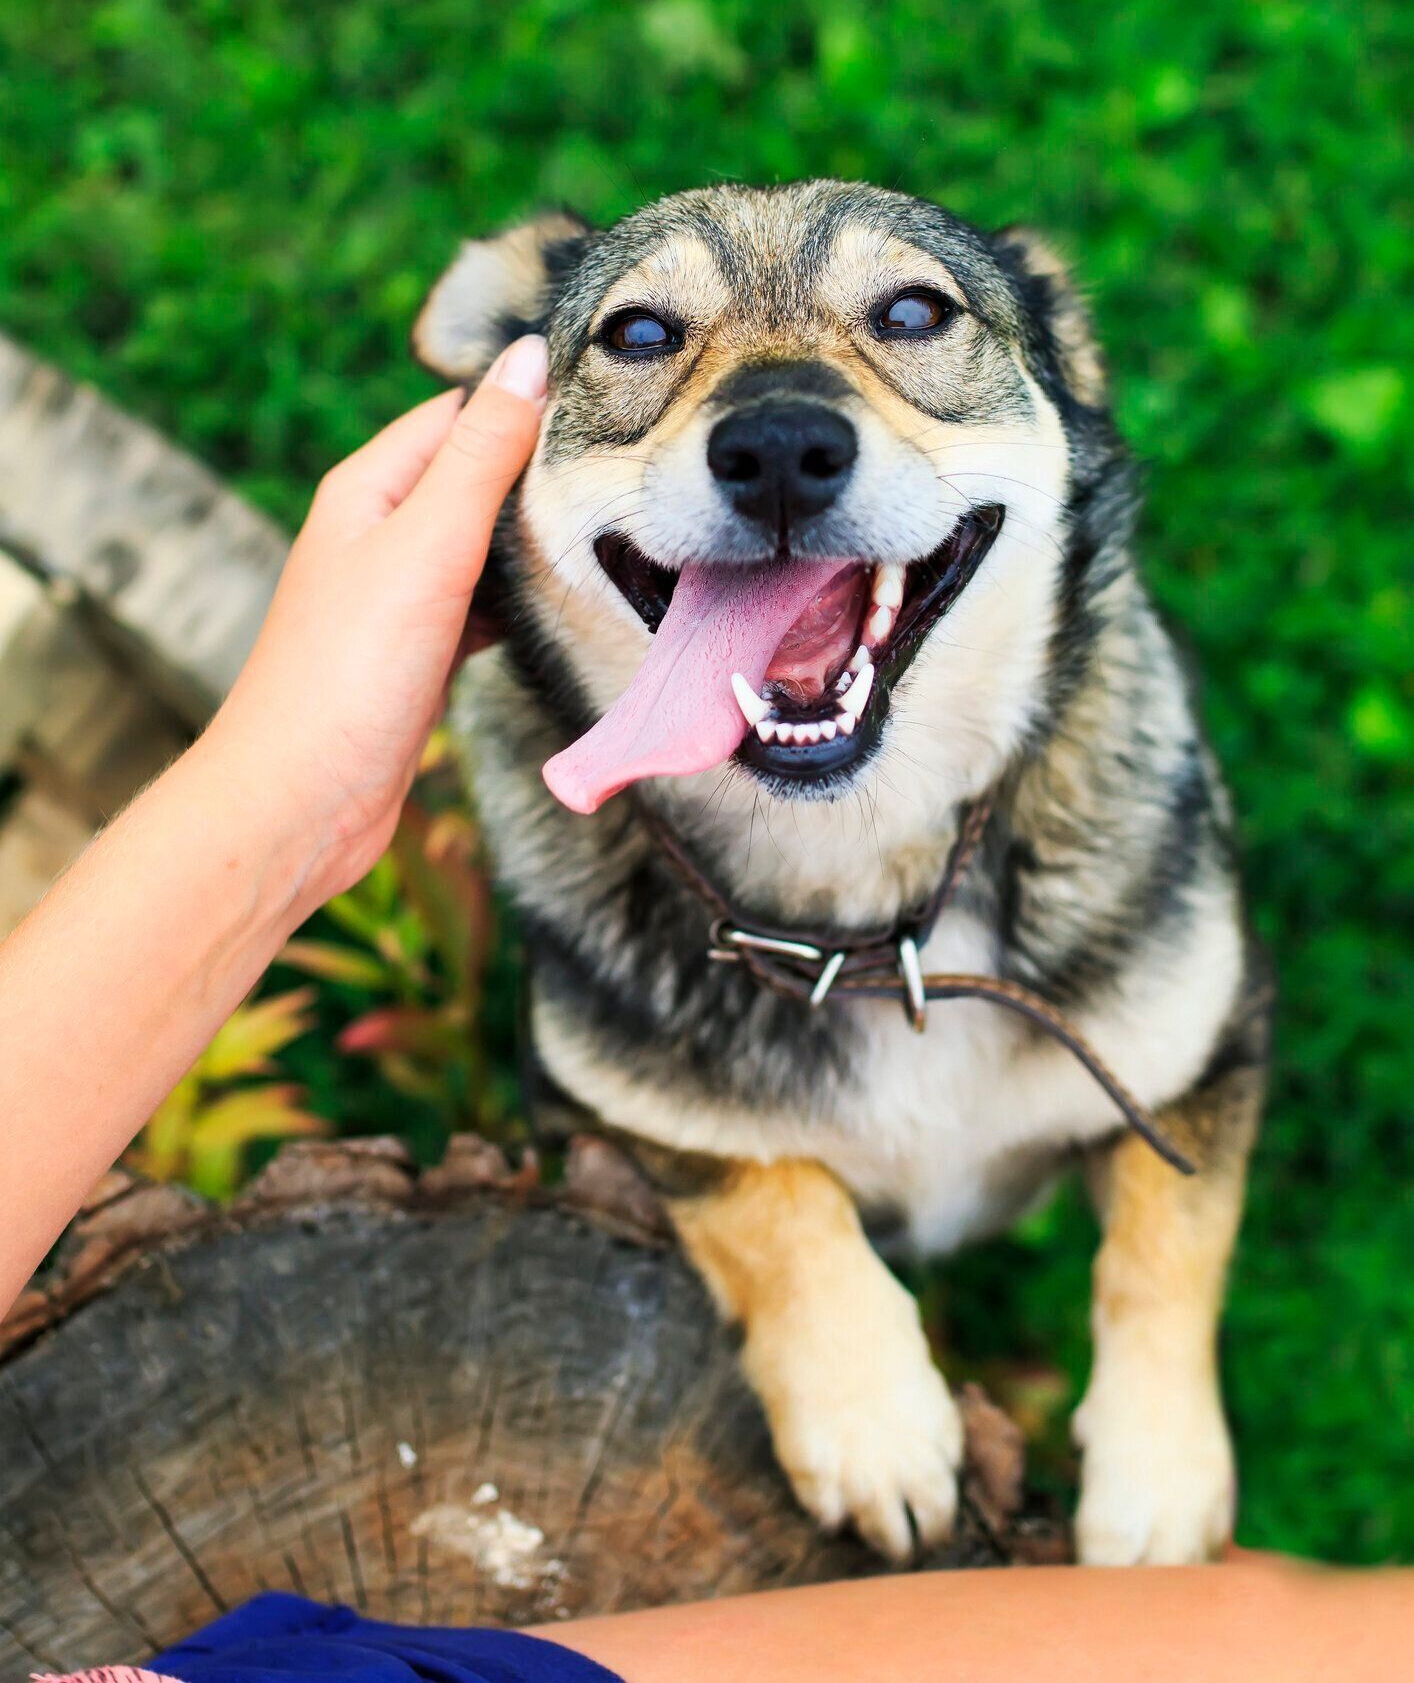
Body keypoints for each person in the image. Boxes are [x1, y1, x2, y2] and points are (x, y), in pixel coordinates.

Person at [1, 338, 1405, 1683]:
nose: (776, 424)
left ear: (1064, 385)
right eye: (644, 333)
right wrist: (794, 1270)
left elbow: (1196, 1060)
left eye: (911, 315)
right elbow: (640, 1101)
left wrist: (1158, 1351)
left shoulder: (1126, 817)